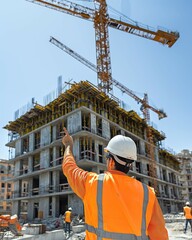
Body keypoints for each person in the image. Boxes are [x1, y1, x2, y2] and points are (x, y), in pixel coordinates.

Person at [62, 127, 168, 240]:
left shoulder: (92, 183)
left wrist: (68, 145)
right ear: (131, 164)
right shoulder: (148, 193)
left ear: (111, 161)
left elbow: (69, 167)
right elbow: (160, 235)